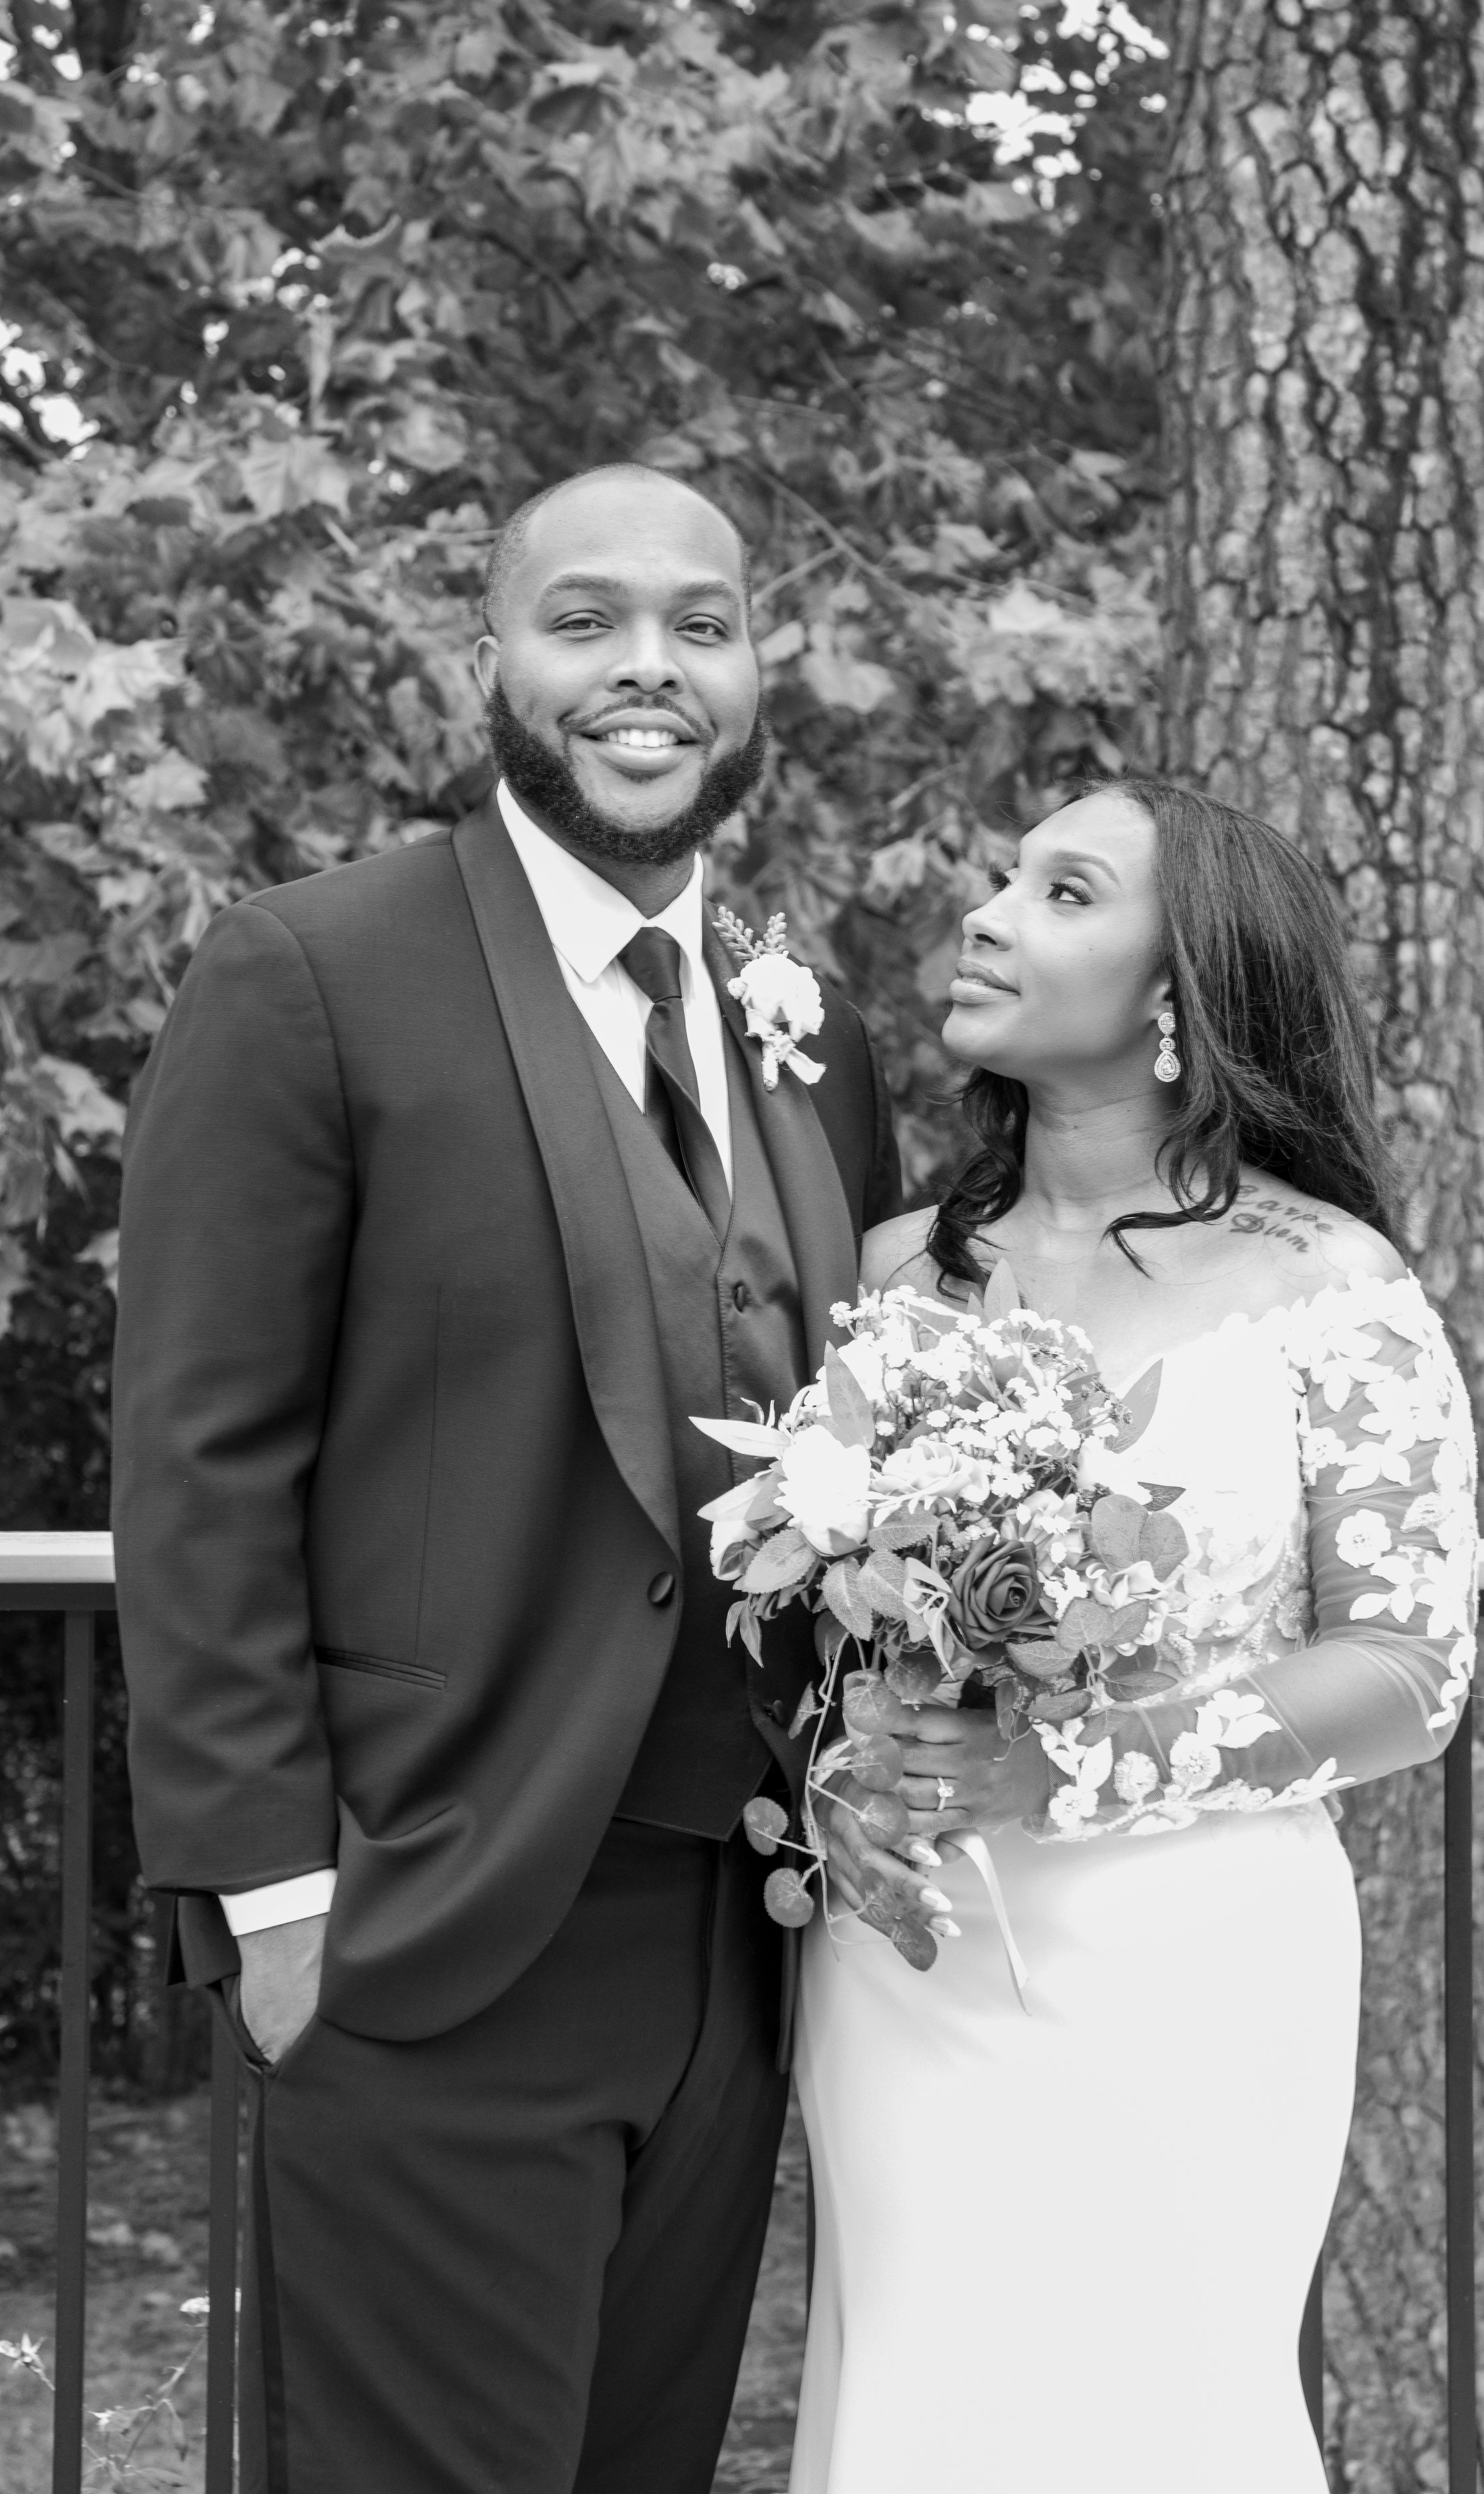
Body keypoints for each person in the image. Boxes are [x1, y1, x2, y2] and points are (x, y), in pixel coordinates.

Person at [111, 463, 899, 2494]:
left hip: (734, 1946)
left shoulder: (805, 1035)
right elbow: (202, 1465)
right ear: (491, 659)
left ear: (755, 672)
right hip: (430, 1923)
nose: (648, 667)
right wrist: (277, 1906)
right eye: (586, 620)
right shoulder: (309, 972)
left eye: (701, 625)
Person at [789, 775, 1479, 2493]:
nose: (989, 908)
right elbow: (820, 1603)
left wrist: (1061, 1766)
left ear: (1179, 990)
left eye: (1061, 890)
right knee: (919, 2398)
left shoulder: (1334, 1282)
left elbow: (1409, 1674)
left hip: (1199, 1954)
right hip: (914, 1951)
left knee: (1169, 2410)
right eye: (1000, 870)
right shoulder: (890, 1273)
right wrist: (843, 1772)